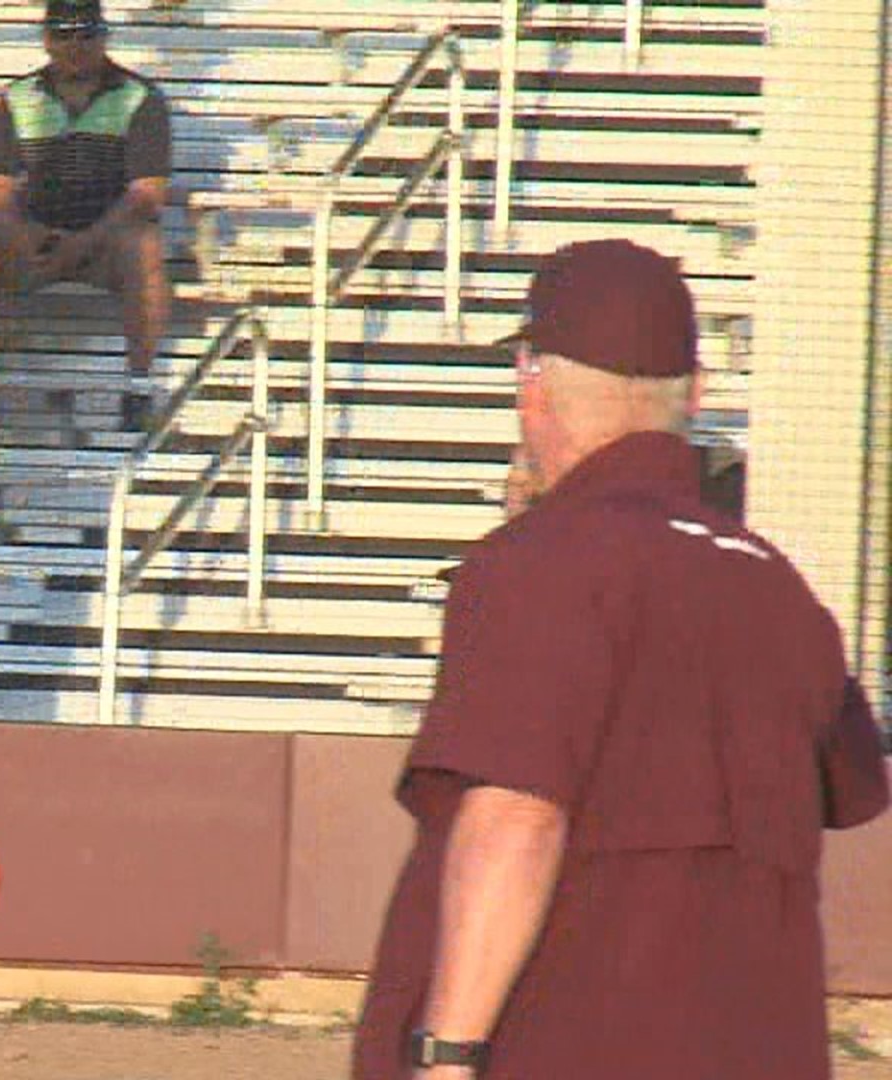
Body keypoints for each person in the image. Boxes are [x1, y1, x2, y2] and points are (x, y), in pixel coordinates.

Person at [352, 239, 890, 1080]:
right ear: (695, 394)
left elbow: (516, 819)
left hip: (566, 1043)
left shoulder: (544, 560)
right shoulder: (776, 586)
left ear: (532, 380)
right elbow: (847, 785)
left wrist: (448, 1057)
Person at [0, 0, 171, 431]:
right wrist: (31, 238)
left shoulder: (141, 98)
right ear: (46, 40)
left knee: (144, 244)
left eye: (85, 34)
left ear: (104, 37)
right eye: (64, 34)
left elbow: (146, 195)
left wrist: (84, 242)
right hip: (34, 244)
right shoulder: (18, 97)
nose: (75, 46)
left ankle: (139, 387)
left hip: (104, 246)